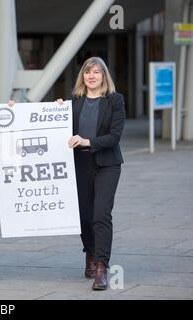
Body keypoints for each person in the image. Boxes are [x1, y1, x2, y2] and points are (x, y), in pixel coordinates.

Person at [60, 56, 125, 290]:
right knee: (84, 217)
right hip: (80, 164)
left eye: (97, 72)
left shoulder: (115, 100)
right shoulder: (73, 101)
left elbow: (115, 136)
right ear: (83, 77)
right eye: (88, 72)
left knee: (101, 214)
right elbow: (53, 127)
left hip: (107, 164)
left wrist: (87, 140)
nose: (92, 76)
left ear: (104, 76)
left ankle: (101, 267)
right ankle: (90, 252)